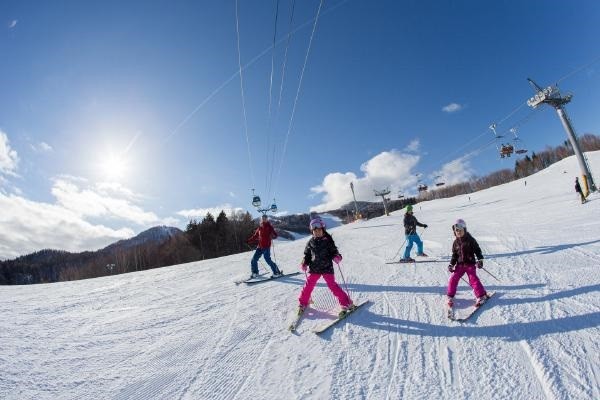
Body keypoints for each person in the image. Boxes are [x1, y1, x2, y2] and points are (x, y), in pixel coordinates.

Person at [298, 217, 354, 316]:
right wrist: (304, 263)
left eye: (319, 230)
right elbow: (307, 255)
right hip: (314, 268)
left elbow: (334, 251)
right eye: (315, 231)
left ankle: (346, 303)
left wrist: (337, 257)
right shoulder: (310, 242)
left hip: (327, 268)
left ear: (323, 229)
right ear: (312, 231)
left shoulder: (328, 241)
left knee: (332, 286)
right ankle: (303, 302)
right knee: (308, 285)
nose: (317, 232)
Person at [446, 219, 489, 307]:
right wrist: (451, 264)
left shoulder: (470, 240)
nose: (458, 232)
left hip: (470, 264)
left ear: (464, 230)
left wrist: (480, 260)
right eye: (456, 231)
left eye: (460, 230)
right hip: (460, 265)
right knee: (453, 278)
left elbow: (477, 250)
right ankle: (450, 296)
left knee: (473, 279)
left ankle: (481, 296)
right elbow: (454, 255)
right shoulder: (455, 243)